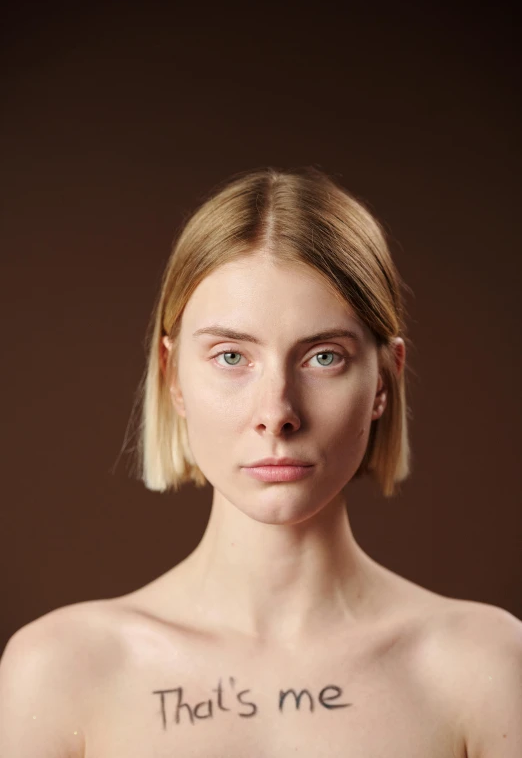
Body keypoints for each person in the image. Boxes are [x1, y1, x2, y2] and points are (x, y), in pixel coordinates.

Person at [1, 167, 521, 757]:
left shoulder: (489, 669)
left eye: (324, 356)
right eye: (231, 356)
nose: (277, 412)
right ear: (173, 376)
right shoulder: (58, 671)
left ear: (384, 379)